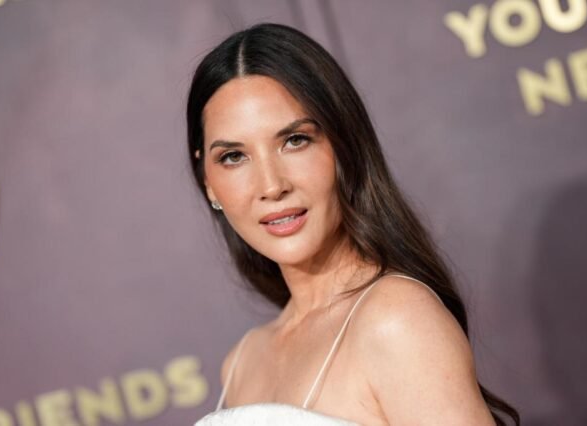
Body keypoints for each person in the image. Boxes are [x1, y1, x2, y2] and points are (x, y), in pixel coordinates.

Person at [186, 22, 519, 425]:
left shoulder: (396, 321)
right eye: (234, 157)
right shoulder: (240, 363)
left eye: (295, 140)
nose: (271, 186)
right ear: (209, 182)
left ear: (344, 146)